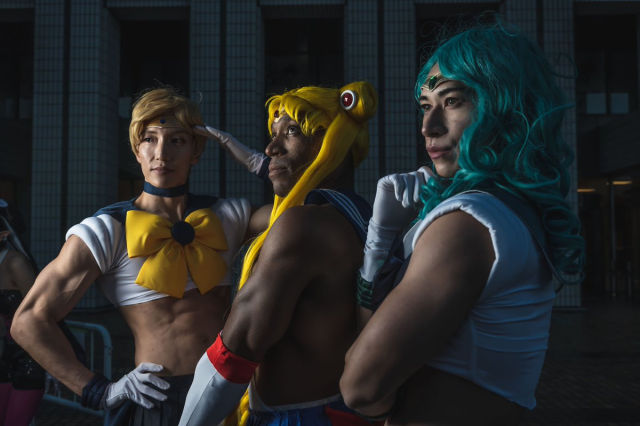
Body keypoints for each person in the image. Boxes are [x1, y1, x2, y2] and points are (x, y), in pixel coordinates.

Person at [340, 20, 586, 425]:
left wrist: (379, 242)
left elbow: (361, 386)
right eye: (425, 106)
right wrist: (381, 243)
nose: (428, 126)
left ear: (503, 105)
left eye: (451, 101)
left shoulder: (467, 223)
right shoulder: (509, 212)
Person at [12, 87, 265, 426]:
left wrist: (260, 164)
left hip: (233, 391)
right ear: (136, 149)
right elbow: (28, 321)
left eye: (177, 140)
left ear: (196, 150)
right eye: (149, 139)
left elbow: (307, 213)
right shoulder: (108, 230)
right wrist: (99, 390)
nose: (162, 153)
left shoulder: (226, 215)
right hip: (159, 398)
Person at [178, 82, 378, 426]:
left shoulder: (305, 226)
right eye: (273, 134)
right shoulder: (360, 217)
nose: (271, 147)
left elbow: (233, 354)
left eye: (292, 132)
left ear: (332, 141)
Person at [0, 206, 45, 426]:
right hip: (4, 358)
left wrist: (56, 364)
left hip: (29, 358)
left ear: (4, 234)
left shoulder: (15, 263)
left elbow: (41, 313)